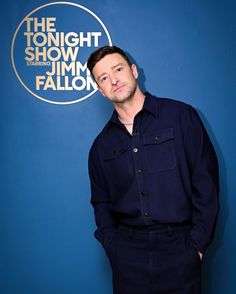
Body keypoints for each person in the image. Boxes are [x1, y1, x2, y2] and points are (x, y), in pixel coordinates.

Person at [87, 45, 219, 294]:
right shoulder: (101, 147)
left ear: (134, 71)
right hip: (128, 257)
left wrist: (197, 246)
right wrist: (114, 247)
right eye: (103, 78)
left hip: (180, 249)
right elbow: (101, 202)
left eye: (118, 69)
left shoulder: (181, 116)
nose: (113, 80)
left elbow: (206, 183)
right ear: (101, 91)